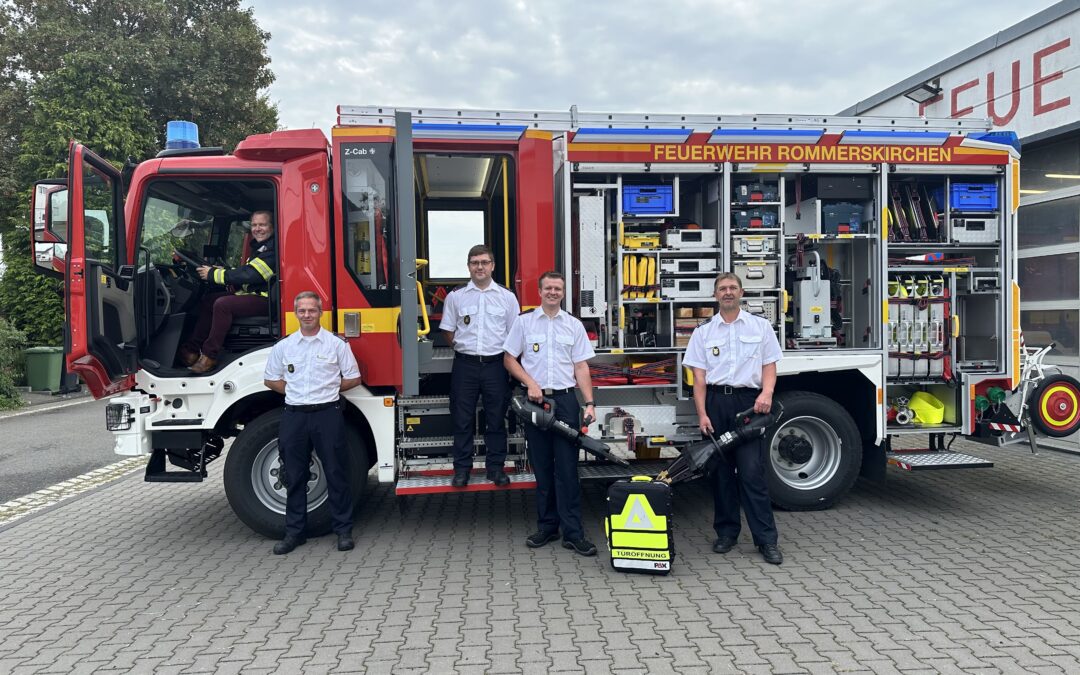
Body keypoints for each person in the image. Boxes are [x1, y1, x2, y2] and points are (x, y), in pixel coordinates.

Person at [684, 272, 784, 564]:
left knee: (752, 472)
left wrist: (766, 394)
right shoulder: (703, 332)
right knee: (721, 474)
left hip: (748, 405)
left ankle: (766, 540)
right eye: (722, 289)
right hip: (716, 403)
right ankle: (726, 533)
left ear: (741, 293)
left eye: (732, 288)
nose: (727, 292)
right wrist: (702, 414)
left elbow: (769, 365)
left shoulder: (761, 327)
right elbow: (698, 380)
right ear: (715, 295)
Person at [503, 271, 598, 556]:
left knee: (568, 470)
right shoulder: (524, 323)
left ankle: (573, 533)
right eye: (548, 288)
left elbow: (581, 367)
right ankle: (547, 527)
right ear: (539, 291)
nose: (553, 292)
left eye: (558, 288)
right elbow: (509, 358)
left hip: (567, 402)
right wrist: (530, 383)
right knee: (542, 468)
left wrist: (590, 403)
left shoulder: (574, 325)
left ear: (563, 292)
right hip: (536, 404)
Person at [263, 291, 362, 555]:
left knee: (336, 473)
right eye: (302, 311)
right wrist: (296, 392)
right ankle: (294, 533)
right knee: (294, 476)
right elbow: (271, 379)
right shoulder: (284, 347)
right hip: (295, 415)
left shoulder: (336, 345)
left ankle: (343, 531)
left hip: (327, 415)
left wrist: (328, 388)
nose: (307, 315)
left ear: (321, 313)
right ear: (296, 314)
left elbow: (354, 378)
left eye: (312, 310)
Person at [440, 245, 520, 487]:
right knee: (461, 419)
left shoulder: (507, 297)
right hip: (466, 365)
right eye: (475, 263)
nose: (480, 267)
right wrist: (466, 349)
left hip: (496, 366)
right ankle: (462, 470)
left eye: (484, 262)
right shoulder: (456, 296)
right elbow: (448, 331)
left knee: (496, 419)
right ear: (468, 267)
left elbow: (515, 334)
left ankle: (495, 469)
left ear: (492, 265)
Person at [179, 210, 277, 374]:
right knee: (209, 300)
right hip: (254, 295)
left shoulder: (272, 249)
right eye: (254, 225)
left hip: (267, 300)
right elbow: (247, 271)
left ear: (272, 227)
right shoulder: (261, 247)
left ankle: (210, 356)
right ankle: (192, 350)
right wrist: (225, 271)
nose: (257, 228)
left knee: (223, 304)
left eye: (262, 224)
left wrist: (214, 274)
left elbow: (253, 274)